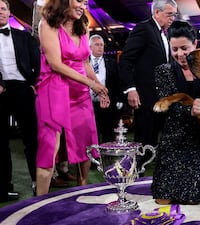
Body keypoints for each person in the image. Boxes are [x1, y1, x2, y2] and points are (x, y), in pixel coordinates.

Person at [35, 0, 110, 196]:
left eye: (85, 3)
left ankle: (82, 192)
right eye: (79, 1)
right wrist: (91, 84)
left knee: (85, 142)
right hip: (54, 89)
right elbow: (56, 64)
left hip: (80, 91)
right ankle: (38, 202)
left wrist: (99, 85)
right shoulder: (48, 24)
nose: (83, 6)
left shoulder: (83, 25)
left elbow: (84, 61)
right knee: (50, 146)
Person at [151, 20, 200, 205]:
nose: (180, 54)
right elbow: (167, 108)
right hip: (173, 141)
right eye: (174, 50)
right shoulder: (163, 71)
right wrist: (191, 110)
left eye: (184, 48)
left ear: (195, 44)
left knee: (193, 198)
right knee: (162, 200)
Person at [119, 0, 178, 147]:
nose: (172, 18)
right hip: (146, 98)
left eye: (174, 15)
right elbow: (126, 60)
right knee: (144, 140)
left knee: (157, 141)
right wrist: (131, 89)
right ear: (157, 12)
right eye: (169, 14)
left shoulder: (166, 34)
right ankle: (138, 168)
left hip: (163, 98)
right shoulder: (144, 28)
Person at [0, 0, 40, 202]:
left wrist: (33, 83)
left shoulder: (24, 36)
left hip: (22, 88)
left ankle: (37, 182)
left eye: (3, 8)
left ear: (9, 12)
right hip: (0, 91)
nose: (0, 12)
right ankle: (4, 187)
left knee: (31, 139)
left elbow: (37, 61)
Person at [89, 34, 122, 143]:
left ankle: (108, 158)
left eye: (102, 45)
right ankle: (94, 158)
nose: (100, 47)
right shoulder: (83, 63)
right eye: (97, 45)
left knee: (109, 136)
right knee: (91, 136)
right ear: (90, 47)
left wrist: (118, 100)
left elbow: (118, 83)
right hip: (88, 105)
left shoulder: (112, 62)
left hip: (107, 106)